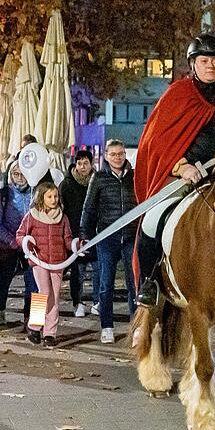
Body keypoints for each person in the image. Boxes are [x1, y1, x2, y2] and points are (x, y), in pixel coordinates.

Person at [133, 33, 215, 307]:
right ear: (193, 64)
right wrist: (182, 166)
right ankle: (150, 281)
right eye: (204, 61)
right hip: (185, 178)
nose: (210, 66)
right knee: (152, 219)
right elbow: (157, 141)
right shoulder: (177, 96)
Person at [81, 140, 138, 344]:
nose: (117, 157)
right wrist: (84, 235)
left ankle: (136, 328)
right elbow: (89, 208)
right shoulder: (99, 177)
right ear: (106, 156)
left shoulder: (134, 176)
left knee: (135, 284)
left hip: (131, 236)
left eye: (121, 153)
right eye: (113, 154)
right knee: (106, 284)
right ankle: (107, 326)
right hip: (107, 237)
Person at [17, 182, 73, 348]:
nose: (54, 199)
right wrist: (26, 243)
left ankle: (50, 333)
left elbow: (67, 239)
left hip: (58, 261)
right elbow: (20, 235)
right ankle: (34, 327)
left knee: (55, 296)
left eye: (55, 196)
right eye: (49, 196)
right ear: (41, 197)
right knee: (44, 293)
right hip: (39, 260)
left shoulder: (63, 217)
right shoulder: (31, 216)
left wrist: (76, 245)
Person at [0, 160, 35, 325]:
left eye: (23, 174)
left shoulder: (35, 192)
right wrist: (11, 240)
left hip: (30, 244)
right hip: (8, 244)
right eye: (16, 174)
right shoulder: (4, 193)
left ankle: (31, 317)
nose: (20, 177)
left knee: (33, 282)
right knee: (3, 279)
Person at [59, 149, 94, 317]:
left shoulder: (97, 181)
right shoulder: (66, 184)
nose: (82, 166)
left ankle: (97, 302)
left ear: (91, 164)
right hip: (73, 233)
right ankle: (77, 302)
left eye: (85, 163)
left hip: (94, 231)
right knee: (77, 270)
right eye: (79, 163)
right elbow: (60, 208)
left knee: (97, 268)